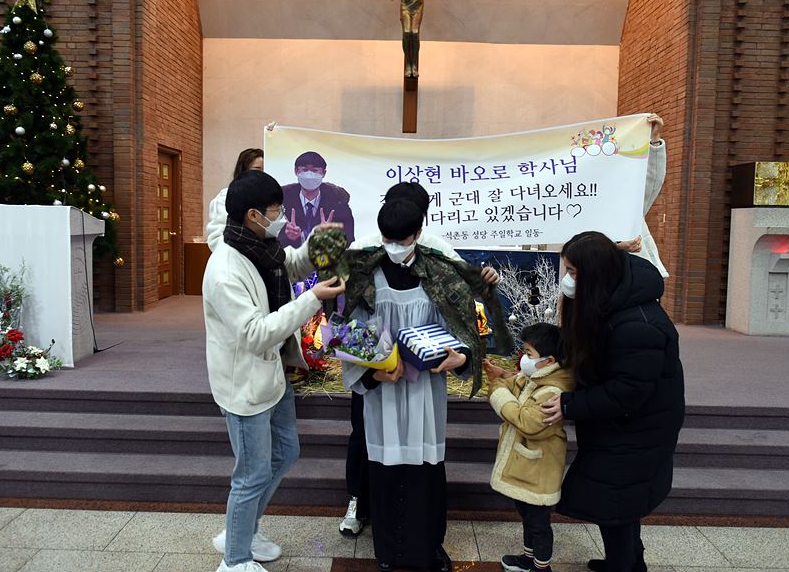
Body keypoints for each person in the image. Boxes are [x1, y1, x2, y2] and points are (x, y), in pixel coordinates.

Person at [341, 199, 509, 572]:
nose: (393, 247)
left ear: (418, 234)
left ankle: (429, 547)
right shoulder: (365, 276)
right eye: (387, 239)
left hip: (425, 392)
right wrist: (372, 374)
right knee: (385, 471)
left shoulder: (440, 274)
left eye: (401, 240)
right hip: (384, 394)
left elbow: (463, 329)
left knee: (426, 473)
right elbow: (350, 332)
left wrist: (461, 358)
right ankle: (388, 552)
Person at [203, 170, 346, 572]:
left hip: (273, 374)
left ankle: (242, 530)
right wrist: (312, 300)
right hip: (245, 385)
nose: (281, 217)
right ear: (252, 215)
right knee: (250, 475)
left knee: (286, 452)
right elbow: (254, 334)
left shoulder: (260, 246)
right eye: (275, 210)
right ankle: (235, 560)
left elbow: (290, 266)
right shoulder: (225, 270)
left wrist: (314, 244)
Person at [540, 231, 685, 572]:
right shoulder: (612, 298)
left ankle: (623, 565)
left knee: (615, 504)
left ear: (594, 275)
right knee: (622, 501)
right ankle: (631, 563)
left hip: (639, 427)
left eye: (573, 272)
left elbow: (628, 391)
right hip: (619, 423)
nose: (567, 280)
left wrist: (569, 405)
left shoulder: (637, 325)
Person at [483, 323, 574, 572]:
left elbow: (527, 422)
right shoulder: (537, 376)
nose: (524, 358)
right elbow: (515, 384)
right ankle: (528, 558)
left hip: (539, 470)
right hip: (528, 468)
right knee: (526, 514)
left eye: (529, 353)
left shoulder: (553, 389)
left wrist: (498, 390)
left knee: (538, 522)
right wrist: (501, 377)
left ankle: (542, 566)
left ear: (549, 360)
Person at [355, 0, 476, 78]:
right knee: (407, 32)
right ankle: (408, 64)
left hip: (417, 3)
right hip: (406, 4)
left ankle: (414, 65)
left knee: (415, 32)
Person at [617, 114, 668, 278]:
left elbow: (652, 180)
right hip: (602, 279)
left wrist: (654, 140)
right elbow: (580, 246)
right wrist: (616, 247)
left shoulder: (625, 198)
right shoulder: (581, 203)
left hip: (641, 276)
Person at [280, 151, 355, 249]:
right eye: (304, 170)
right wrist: (289, 237)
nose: (309, 175)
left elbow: (349, 243)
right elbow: (271, 242)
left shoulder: (339, 204)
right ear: (296, 171)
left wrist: (330, 239)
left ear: (324, 173)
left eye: (315, 170)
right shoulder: (281, 203)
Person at [206, 148, 265, 251]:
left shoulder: (271, 199)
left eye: (266, 170)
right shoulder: (225, 197)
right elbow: (216, 239)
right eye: (257, 170)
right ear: (243, 171)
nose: (263, 175)